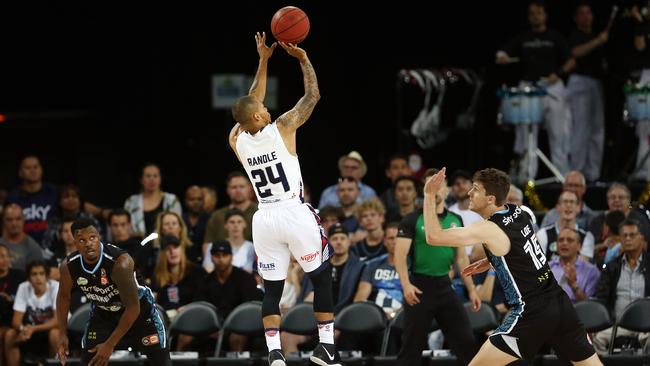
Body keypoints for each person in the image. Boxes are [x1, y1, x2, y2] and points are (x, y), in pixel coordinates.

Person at [229, 32, 340, 366]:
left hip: (263, 218)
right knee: (321, 275)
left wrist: (264, 60)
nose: (266, 106)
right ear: (261, 118)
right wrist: (303, 59)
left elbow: (249, 102)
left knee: (272, 288)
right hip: (292, 210)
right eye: (264, 108)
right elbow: (313, 95)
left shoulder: (236, 139)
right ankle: (326, 347)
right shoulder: (283, 127)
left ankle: (275, 355)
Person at [423, 167, 601, 365]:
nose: (469, 193)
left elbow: (433, 236)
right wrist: (493, 260)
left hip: (532, 311)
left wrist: (429, 195)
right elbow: (520, 248)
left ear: (490, 199)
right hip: (560, 304)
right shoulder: (518, 212)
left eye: (475, 189)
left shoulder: (487, 228)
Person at [55, 218, 171, 366]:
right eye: (82, 240)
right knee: (89, 361)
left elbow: (133, 308)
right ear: (75, 243)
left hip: (140, 312)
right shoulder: (68, 266)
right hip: (104, 312)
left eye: (92, 237)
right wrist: (62, 334)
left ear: (99, 237)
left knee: (162, 363)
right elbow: (63, 297)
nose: (89, 243)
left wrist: (110, 345)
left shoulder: (120, 263)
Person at [394, 168, 480, 366]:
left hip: (445, 287)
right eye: (429, 185)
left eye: (439, 184)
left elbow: (461, 258)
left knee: (466, 342)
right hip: (419, 288)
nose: (435, 189)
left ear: (447, 189)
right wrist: (406, 285)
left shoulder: (456, 220)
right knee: (411, 347)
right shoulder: (412, 220)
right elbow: (399, 255)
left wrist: (472, 289)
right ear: (424, 191)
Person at [496, 1, 575, 181]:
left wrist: (559, 73)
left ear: (545, 15)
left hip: (552, 87)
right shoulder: (523, 38)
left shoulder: (555, 37)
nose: (535, 16)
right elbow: (502, 53)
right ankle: (526, 176)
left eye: (539, 12)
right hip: (529, 89)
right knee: (526, 134)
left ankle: (563, 177)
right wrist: (503, 57)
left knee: (559, 133)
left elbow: (571, 60)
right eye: (532, 13)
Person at [567, 1, 608, 182]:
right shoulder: (576, 36)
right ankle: (577, 174)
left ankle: (593, 175)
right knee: (580, 130)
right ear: (576, 18)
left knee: (597, 130)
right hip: (579, 83)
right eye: (582, 13)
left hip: (596, 84)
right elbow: (575, 53)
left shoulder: (595, 35)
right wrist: (598, 41)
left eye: (589, 13)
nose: (586, 17)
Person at [4, 260, 60, 366]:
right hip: (30, 331)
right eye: (34, 274)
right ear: (29, 278)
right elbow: (16, 321)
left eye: (41, 274)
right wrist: (23, 330)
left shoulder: (55, 287)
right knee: (10, 334)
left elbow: (58, 321)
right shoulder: (23, 287)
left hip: (48, 330)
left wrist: (33, 329)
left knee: (55, 333)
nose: (38, 277)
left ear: (47, 276)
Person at [124, 163, 182, 237]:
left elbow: (178, 226)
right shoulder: (131, 202)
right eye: (148, 176)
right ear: (141, 180)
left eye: (155, 176)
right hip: (137, 244)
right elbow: (125, 226)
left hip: (165, 244)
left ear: (160, 179)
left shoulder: (171, 200)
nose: (152, 179)